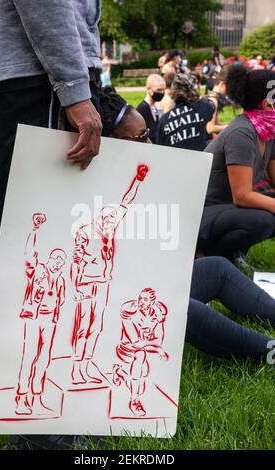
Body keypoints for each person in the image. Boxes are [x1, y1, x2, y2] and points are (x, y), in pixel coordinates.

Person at [100, 90, 275, 362]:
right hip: (111, 308)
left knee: (216, 268)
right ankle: (267, 350)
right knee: (179, 307)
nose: (149, 144)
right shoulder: (93, 193)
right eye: (139, 138)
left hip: (146, 286)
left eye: (148, 135)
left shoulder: (134, 179)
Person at [0, 0, 103, 319]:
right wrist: (75, 90)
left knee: (10, 224)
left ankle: (2, 353)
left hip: (3, 72)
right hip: (34, 74)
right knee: (42, 223)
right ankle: (17, 352)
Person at [70, 165, 148, 385]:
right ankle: (77, 368)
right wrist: (75, 286)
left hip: (103, 283)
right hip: (86, 284)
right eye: (106, 218)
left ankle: (87, 363)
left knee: (96, 326)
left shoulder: (110, 230)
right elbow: (75, 262)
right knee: (83, 325)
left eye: (112, 220)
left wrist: (139, 179)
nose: (109, 223)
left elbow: (126, 202)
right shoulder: (85, 232)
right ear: (99, 217)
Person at [199, 66, 275, 262]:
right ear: (267, 104)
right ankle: (211, 254)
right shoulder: (241, 133)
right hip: (204, 212)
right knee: (264, 221)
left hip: (229, 207)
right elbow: (242, 196)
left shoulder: (267, 130)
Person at [16, 214, 66, 415]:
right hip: (34, 318)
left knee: (44, 358)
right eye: (56, 258)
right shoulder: (38, 271)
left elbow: (60, 301)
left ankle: (37, 396)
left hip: (50, 321)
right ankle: (21, 397)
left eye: (62, 260)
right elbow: (29, 254)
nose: (58, 263)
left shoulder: (61, 280)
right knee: (29, 356)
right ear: (50, 259)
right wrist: (34, 230)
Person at [113, 289, 168, 417]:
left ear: (152, 302)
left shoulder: (156, 316)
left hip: (143, 349)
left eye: (145, 299)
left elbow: (159, 340)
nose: (141, 302)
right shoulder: (130, 313)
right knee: (140, 356)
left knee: (140, 386)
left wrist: (155, 345)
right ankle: (134, 401)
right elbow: (136, 343)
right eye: (140, 298)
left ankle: (119, 372)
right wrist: (156, 348)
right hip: (127, 349)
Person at [156, 73, 216, 151]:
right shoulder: (203, 106)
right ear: (193, 89)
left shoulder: (164, 119)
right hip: (199, 160)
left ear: (173, 91)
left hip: (174, 161)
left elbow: (159, 148)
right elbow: (212, 107)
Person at [136, 74, 166, 143]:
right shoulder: (142, 110)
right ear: (149, 89)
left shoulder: (155, 106)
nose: (162, 93)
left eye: (163, 90)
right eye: (159, 90)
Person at [204, 66, 229, 144]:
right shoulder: (213, 100)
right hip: (204, 141)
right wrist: (230, 127)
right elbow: (210, 128)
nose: (228, 91)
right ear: (222, 84)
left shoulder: (211, 96)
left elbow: (215, 123)